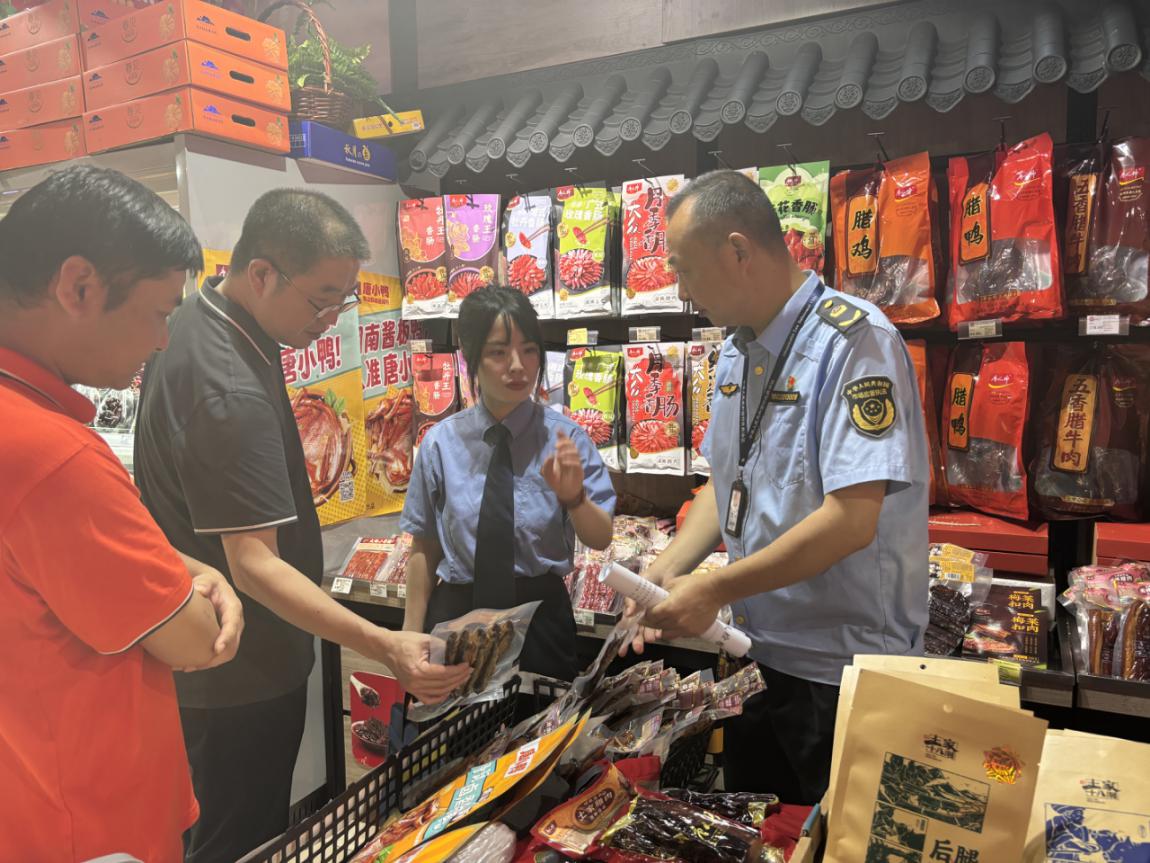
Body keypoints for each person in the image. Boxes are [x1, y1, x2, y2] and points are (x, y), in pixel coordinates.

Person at [133, 189, 472, 863]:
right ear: (261, 273)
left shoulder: (202, 320)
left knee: (217, 828)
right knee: (236, 839)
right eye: (321, 299)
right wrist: (383, 642)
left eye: (343, 300)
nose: (330, 319)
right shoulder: (228, 386)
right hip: (237, 674)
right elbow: (255, 565)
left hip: (211, 656)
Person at [627, 170, 928, 805]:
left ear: (738, 251)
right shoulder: (738, 350)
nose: (680, 291)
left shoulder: (854, 341)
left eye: (684, 269)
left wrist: (714, 589)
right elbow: (724, 484)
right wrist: (666, 572)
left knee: (834, 839)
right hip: (753, 655)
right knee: (758, 835)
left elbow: (851, 520)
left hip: (840, 671)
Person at [0, 165, 244, 862]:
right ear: (79, 286)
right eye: (160, 312)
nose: (163, 340)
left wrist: (175, 566)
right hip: (91, 827)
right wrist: (200, 581)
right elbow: (197, 640)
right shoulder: (52, 456)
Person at [401, 286, 616, 684]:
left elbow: (600, 537)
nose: (518, 366)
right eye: (499, 352)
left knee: (539, 724)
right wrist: (409, 639)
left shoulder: (566, 438)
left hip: (540, 624)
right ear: (471, 356)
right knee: (458, 724)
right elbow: (424, 548)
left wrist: (575, 499)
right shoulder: (440, 444)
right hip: (457, 621)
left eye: (529, 350)